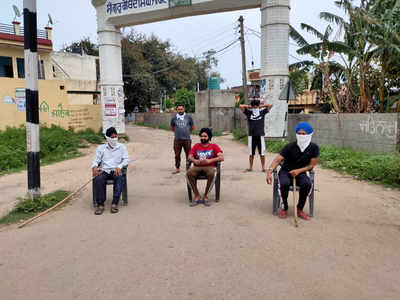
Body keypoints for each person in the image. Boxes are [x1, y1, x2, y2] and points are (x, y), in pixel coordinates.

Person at [266, 122, 319, 220]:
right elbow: (278, 160)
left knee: (307, 184)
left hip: (301, 172)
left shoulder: (314, 148)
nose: (301, 136)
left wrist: (299, 171)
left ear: (309, 134)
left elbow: (311, 165)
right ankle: (284, 208)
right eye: (299, 134)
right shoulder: (289, 146)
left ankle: (299, 209)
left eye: (304, 134)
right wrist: (269, 171)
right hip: (286, 171)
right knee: (284, 184)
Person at [91, 127, 130, 215]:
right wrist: (94, 167)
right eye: (112, 137)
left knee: (120, 178)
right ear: (107, 138)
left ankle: (114, 203)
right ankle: (100, 205)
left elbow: (126, 159)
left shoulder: (122, 147)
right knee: (98, 179)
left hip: (116, 170)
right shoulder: (101, 148)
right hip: (104, 170)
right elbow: (95, 160)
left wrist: (120, 166)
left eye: (116, 136)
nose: (114, 139)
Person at [187, 128, 224, 207]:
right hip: (197, 166)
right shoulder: (196, 146)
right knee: (189, 173)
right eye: (201, 136)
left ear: (209, 137)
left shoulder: (214, 146)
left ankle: (206, 195)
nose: (203, 138)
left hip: (209, 166)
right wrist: (194, 160)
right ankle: (197, 195)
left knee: (212, 173)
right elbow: (189, 156)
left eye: (205, 136)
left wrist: (210, 161)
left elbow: (221, 157)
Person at [240, 99, 273, 172]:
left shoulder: (262, 112)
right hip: (251, 136)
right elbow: (241, 106)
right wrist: (250, 107)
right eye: (253, 106)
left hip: (260, 135)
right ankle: (250, 167)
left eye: (256, 106)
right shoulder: (249, 113)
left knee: (262, 153)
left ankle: (263, 168)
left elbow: (270, 105)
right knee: (251, 153)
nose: (255, 108)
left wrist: (260, 106)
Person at [170, 104, 194, 174]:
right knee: (177, 154)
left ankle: (188, 167)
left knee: (189, 154)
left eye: (181, 109)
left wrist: (187, 132)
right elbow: (172, 128)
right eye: (179, 109)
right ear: (177, 110)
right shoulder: (174, 118)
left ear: (184, 109)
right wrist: (178, 132)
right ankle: (177, 168)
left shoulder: (188, 117)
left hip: (187, 139)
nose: (180, 110)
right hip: (177, 140)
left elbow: (192, 127)